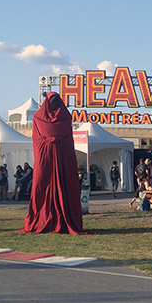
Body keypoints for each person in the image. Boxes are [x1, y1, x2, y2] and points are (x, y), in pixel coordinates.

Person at [16, 92, 89, 234]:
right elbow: (38, 140)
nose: (54, 105)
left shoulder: (62, 118)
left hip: (58, 158)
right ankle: (46, 218)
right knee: (42, 185)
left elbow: (67, 141)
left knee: (58, 185)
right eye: (52, 102)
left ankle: (57, 219)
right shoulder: (40, 118)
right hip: (49, 157)